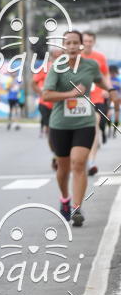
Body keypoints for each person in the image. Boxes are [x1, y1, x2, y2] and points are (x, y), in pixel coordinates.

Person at [42, 30, 106, 227]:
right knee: (64, 167)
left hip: (84, 123)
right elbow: (46, 95)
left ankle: (77, 208)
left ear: (81, 45)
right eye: (67, 43)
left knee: (79, 163)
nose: (71, 46)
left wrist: (110, 89)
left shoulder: (91, 65)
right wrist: (71, 93)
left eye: (75, 43)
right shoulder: (56, 67)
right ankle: (65, 198)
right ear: (64, 46)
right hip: (60, 124)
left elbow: (100, 79)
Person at [82, 31, 112, 175]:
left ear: (94, 42)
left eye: (90, 41)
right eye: (85, 41)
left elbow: (106, 74)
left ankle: (91, 161)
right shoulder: (76, 57)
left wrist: (108, 88)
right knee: (83, 129)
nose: (88, 43)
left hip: (97, 97)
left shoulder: (100, 58)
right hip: (79, 99)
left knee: (94, 126)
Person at [109, 65, 121, 137]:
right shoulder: (108, 79)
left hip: (117, 99)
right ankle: (109, 129)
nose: (112, 74)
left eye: (114, 72)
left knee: (116, 115)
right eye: (111, 72)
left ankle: (114, 131)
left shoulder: (119, 80)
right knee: (109, 114)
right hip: (109, 99)